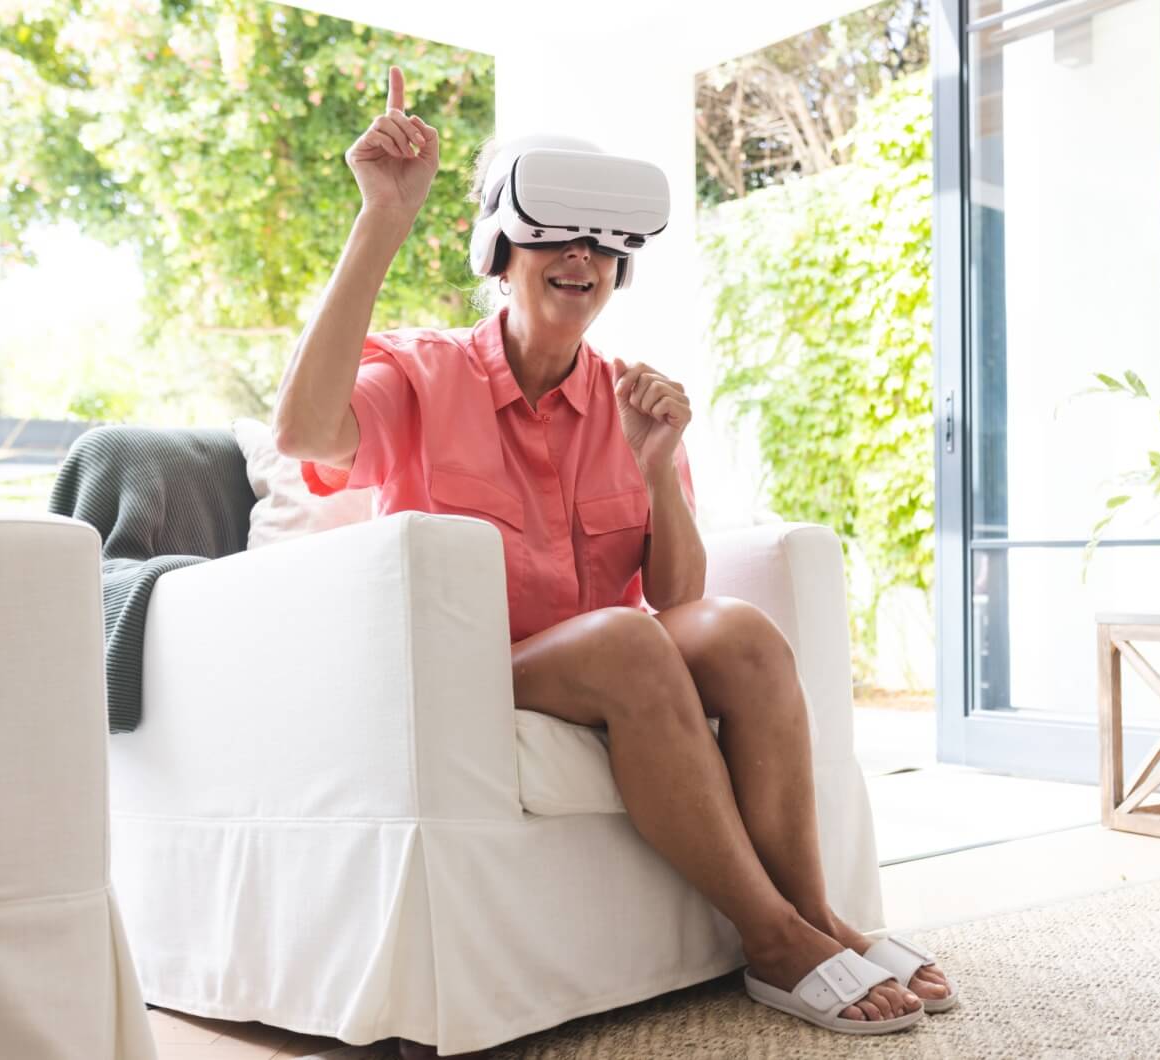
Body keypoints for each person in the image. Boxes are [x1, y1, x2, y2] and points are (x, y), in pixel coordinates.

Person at [273, 65, 952, 1048]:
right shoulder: (422, 374)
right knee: (628, 648)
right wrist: (383, 215)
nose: (579, 257)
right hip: (480, 668)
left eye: (601, 243)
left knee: (742, 633)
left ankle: (821, 919)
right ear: (499, 251)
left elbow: (676, 596)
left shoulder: (627, 397)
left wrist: (654, 457)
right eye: (551, 235)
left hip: (607, 656)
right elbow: (303, 430)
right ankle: (770, 937)